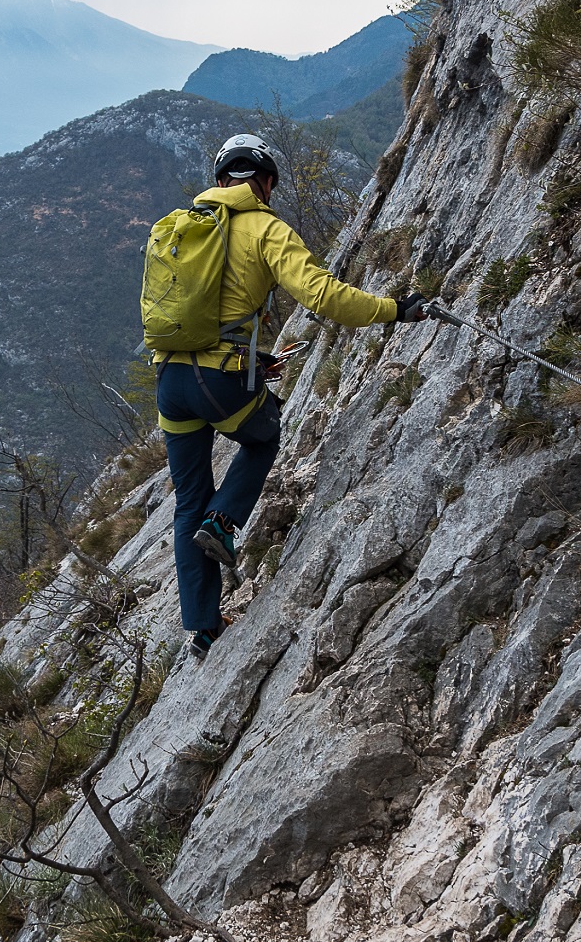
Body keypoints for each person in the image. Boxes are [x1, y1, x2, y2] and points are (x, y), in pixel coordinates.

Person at [155, 133, 427, 660]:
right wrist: (396, 310)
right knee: (264, 435)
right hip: (219, 383)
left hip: (171, 383)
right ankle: (225, 520)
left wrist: (251, 360)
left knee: (188, 499)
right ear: (266, 182)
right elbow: (324, 296)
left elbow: (193, 321)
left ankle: (204, 628)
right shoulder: (265, 228)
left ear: (219, 181)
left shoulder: (181, 228)